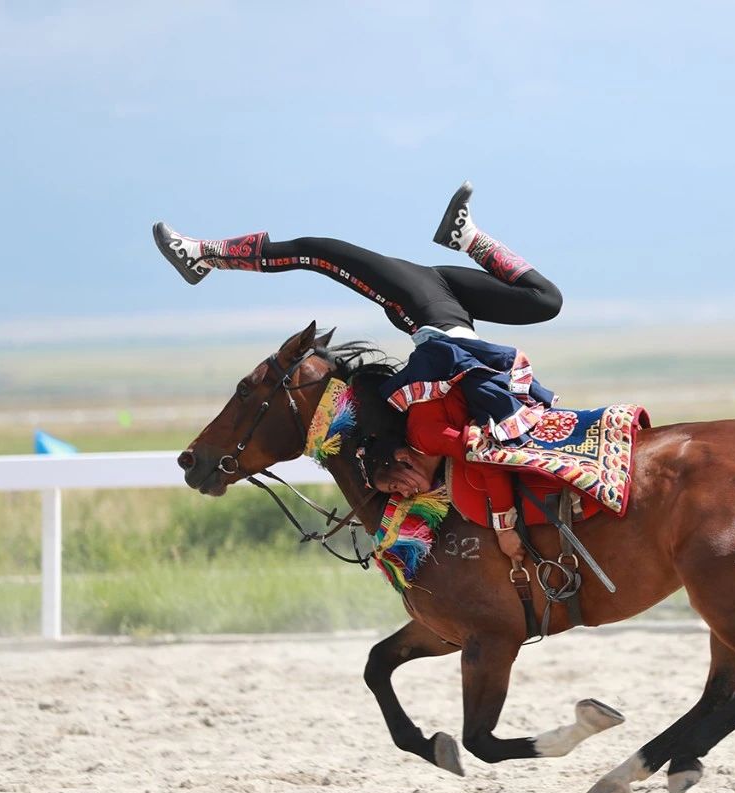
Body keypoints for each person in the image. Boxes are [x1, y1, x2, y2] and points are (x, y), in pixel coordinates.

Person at [153, 183, 558, 561]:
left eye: (398, 483)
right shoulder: (431, 425)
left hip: (436, 311)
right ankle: (463, 236)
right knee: (545, 300)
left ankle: (202, 254)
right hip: (439, 316)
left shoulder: (422, 428)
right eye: (406, 485)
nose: (407, 485)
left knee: (319, 251)